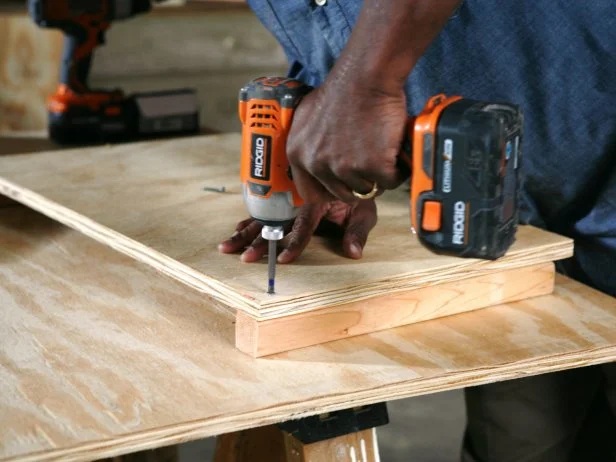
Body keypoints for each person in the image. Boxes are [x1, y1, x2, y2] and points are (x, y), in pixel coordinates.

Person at [219, 1, 616, 460]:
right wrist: (330, 143)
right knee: (522, 437)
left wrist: (366, 84)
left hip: (593, 131)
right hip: (504, 218)